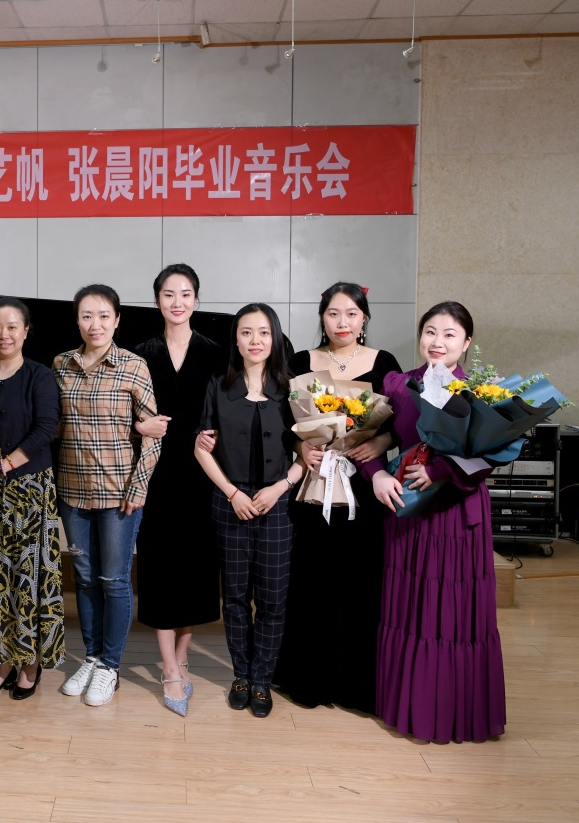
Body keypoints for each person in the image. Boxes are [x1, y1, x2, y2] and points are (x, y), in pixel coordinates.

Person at [368, 301, 506, 743]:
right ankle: (407, 707)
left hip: (457, 514)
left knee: (453, 613)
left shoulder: (483, 392)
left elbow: (491, 454)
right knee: (410, 608)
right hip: (409, 511)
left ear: (467, 343)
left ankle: (454, 713)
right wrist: (377, 475)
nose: (437, 342)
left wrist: (441, 470)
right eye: (430, 331)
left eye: (449, 334)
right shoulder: (398, 384)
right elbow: (366, 441)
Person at [273, 282, 402, 713]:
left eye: (351, 313)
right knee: (312, 580)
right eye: (333, 313)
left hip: (364, 487)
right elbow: (284, 423)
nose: (342, 322)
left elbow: (401, 424)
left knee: (361, 583)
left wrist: (380, 443)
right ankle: (309, 680)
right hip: (315, 487)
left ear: (364, 318)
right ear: (322, 318)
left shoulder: (384, 363)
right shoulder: (301, 362)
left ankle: (356, 687)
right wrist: (301, 447)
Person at [54, 284, 162, 707]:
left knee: (114, 581)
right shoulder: (61, 364)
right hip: (72, 492)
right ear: (77, 321)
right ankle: (92, 656)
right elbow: (56, 424)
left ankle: (110, 666)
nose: (94, 324)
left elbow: (153, 434)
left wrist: (139, 486)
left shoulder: (133, 366)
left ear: (117, 320)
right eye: (86, 316)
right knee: (83, 578)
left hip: (120, 495)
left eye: (103, 316)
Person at [193, 304, 304, 719]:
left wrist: (280, 488)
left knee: (273, 599)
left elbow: (307, 453)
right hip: (230, 503)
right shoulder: (218, 385)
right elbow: (201, 448)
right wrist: (232, 493)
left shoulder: (292, 389)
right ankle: (240, 676)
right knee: (236, 597)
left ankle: (262, 680)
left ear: (274, 338)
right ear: (236, 340)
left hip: (278, 504)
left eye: (263, 332)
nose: (255, 340)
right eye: (246, 332)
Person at [0, 297, 66, 702]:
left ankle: (31, 664)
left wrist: (0, 468)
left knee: (27, 579)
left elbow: (45, 430)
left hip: (30, 494)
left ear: (25, 331)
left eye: (12, 326)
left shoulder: (39, 375)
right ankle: (1, 663)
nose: (3, 335)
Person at [132, 265, 223, 716]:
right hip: (154, 473)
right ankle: (169, 666)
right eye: (169, 294)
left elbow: (227, 410)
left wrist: (217, 436)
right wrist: (139, 426)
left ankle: (183, 656)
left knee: (195, 568)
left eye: (185, 293)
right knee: (160, 566)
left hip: (202, 472)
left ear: (196, 299)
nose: (177, 302)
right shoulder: (139, 353)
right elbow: (120, 412)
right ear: (157, 301)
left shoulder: (216, 352)